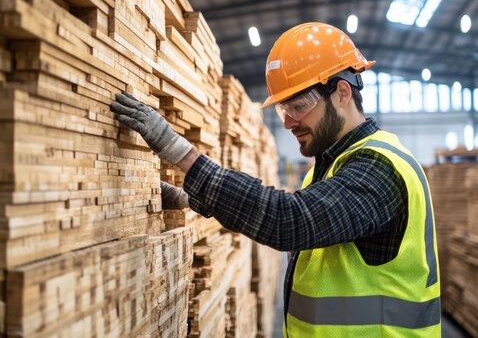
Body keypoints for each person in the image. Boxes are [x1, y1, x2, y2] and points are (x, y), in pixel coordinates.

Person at [110, 22, 441, 337]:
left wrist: (179, 152)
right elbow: (294, 218)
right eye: (284, 110)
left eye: (299, 106)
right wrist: (188, 198)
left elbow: (288, 220)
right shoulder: (329, 167)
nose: (288, 122)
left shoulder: (380, 168)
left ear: (342, 92)